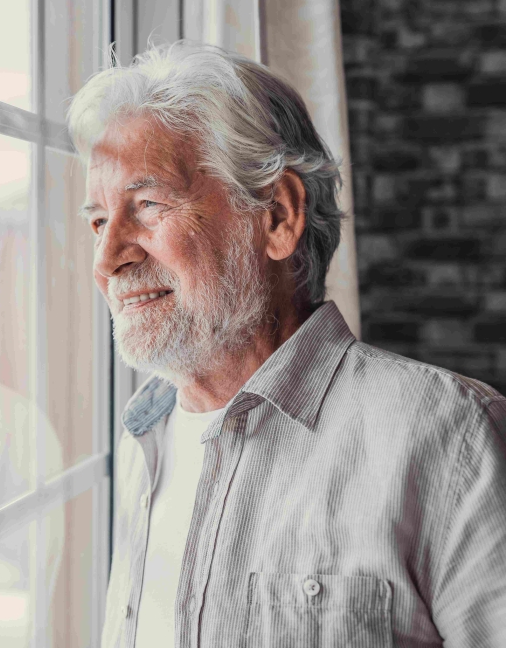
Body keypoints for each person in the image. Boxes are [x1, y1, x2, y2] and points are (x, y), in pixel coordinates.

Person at [67, 41, 506, 647]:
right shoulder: (143, 440)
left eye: (147, 205)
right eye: (97, 220)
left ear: (276, 216)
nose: (107, 259)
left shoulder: (449, 435)